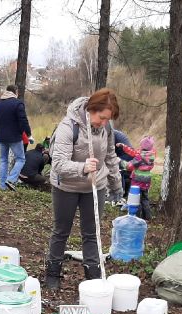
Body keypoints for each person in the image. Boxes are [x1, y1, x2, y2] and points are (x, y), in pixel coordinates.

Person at [45, 88, 123, 290]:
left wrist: (116, 185)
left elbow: (110, 157)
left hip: (95, 187)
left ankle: (93, 277)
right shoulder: (68, 127)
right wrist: (82, 167)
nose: (104, 122)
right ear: (91, 109)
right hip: (67, 187)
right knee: (61, 230)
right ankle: (52, 273)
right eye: (102, 117)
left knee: (91, 232)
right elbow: (58, 164)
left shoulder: (107, 130)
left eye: (108, 119)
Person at [0, 85, 32, 191]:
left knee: (3, 160)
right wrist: (28, 133)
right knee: (21, 159)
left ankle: (2, 185)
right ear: (16, 92)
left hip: (1, 137)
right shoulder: (18, 103)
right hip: (14, 137)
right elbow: (23, 120)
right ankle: (11, 179)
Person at [117, 136, 156, 220]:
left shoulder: (139, 157)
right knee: (145, 198)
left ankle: (137, 217)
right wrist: (124, 146)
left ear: (142, 146)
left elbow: (129, 166)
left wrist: (120, 162)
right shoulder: (151, 155)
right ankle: (148, 217)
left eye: (141, 145)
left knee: (136, 198)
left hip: (137, 180)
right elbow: (134, 152)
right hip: (147, 180)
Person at [112, 129, 133, 198]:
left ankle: (120, 194)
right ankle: (126, 193)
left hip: (126, 154)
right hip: (129, 152)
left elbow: (110, 150)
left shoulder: (110, 134)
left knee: (118, 170)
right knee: (126, 173)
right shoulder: (115, 132)